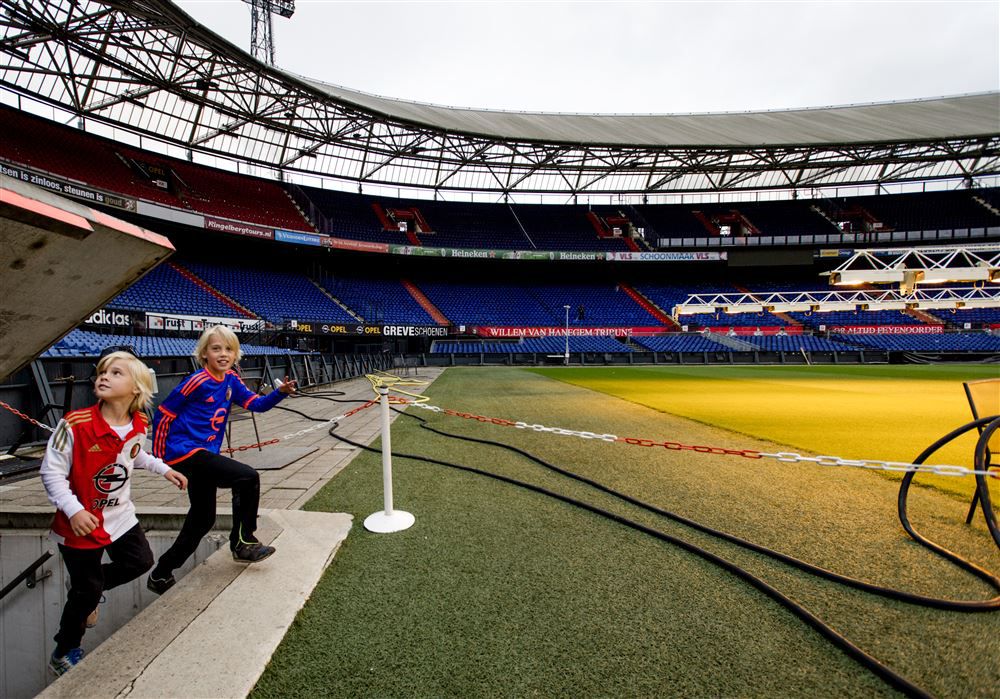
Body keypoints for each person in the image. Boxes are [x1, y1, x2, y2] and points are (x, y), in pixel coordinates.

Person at [40, 350, 188, 675]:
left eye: (116, 372)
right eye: (103, 371)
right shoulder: (74, 424)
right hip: (80, 523)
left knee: (141, 562)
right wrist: (74, 510)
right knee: (85, 590)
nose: (104, 376)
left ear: (137, 387)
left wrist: (164, 469)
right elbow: (51, 473)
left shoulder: (140, 423)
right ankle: (64, 650)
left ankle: (93, 588)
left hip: (119, 516)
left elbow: (134, 455)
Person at [146, 325, 296, 595]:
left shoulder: (231, 381)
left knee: (202, 519)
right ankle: (243, 542)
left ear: (236, 354)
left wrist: (280, 392)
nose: (223, 354)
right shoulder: (197, 381)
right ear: (204, 354)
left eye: (229, 349)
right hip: (185, 452)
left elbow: (256, 405)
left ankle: (161, 572)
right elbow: (164, 413)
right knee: (247, 476)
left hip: (205, 455)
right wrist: (161, 458)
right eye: (216, 348)